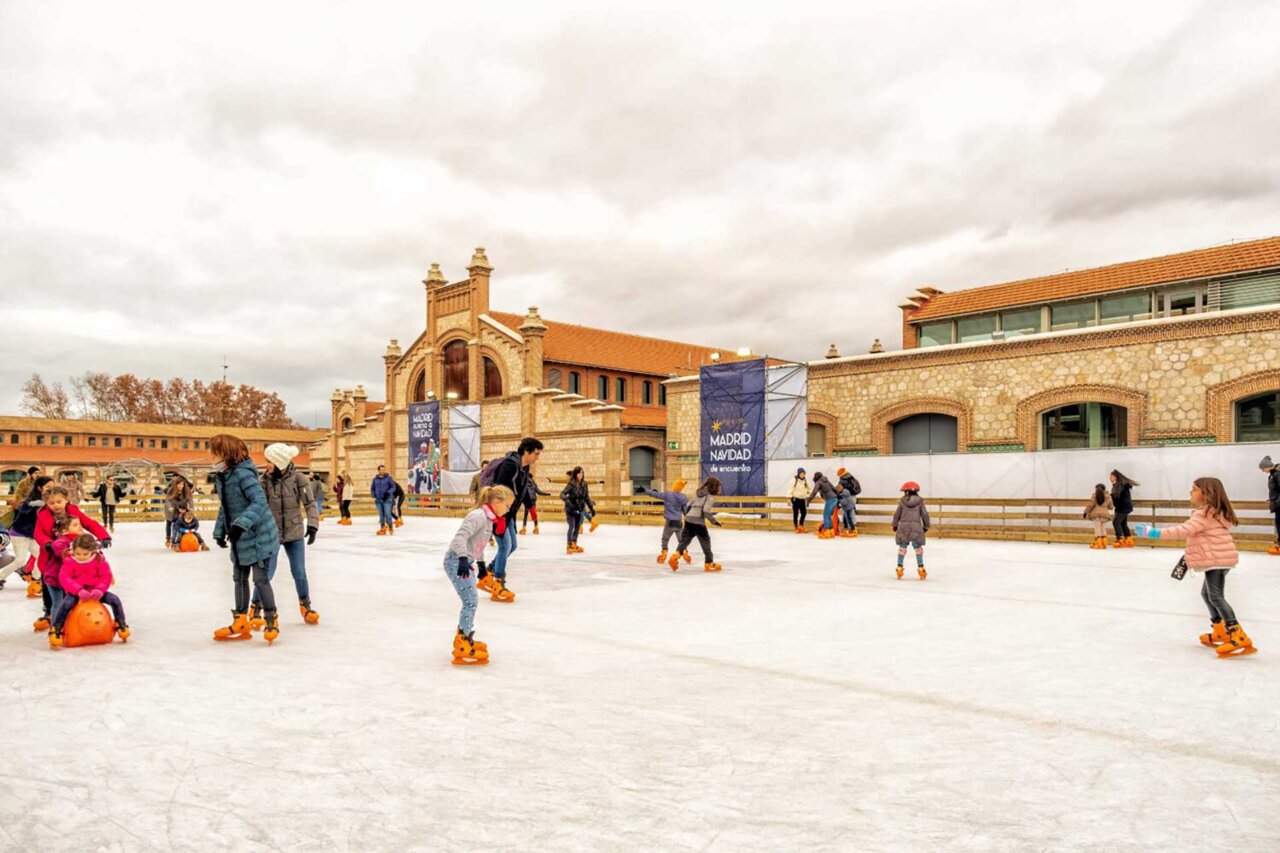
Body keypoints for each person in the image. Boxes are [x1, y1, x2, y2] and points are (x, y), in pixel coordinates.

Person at [1133, 478, 1255, 656]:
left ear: (1207, 494)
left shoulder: (1204, 514)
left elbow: (1183, 530)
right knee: (1207, 594)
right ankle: (1220, 630)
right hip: (1221, 559)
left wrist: (1154, 532)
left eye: (1194, 489)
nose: (1190, 492)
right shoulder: (1216, 512)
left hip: (1216, 560)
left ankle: (1238, 634)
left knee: (1215, 596)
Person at [211, 434, 282, 644]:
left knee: (260, 579)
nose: (211, 456)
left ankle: (271, 619)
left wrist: (240, 524)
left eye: (215, 452)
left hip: (260, 536)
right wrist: (219, 531)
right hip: (240, 536)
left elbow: (259, 502)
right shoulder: (225, 476)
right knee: (239, 578)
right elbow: (226, 506)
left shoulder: (244, 475)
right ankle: (240, 620)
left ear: (226, 453)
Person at [251, 443, 320, 629]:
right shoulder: (263, 482)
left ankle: (306, 605)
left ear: (280, 462)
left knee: (299, 572)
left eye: (269, 462)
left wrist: (313, 525)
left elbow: (310, 504)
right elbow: (257, 508)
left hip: (294, 532)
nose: (267, 465)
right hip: (271, 534)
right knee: (266, 573)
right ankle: (255, 607)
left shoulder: (299, 479)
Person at [444, 485, 513, 665]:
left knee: (471, 600)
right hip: (456, 562)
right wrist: (463, 559)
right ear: (496, 502)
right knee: (471, 601)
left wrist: (481, 565)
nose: (508, 510)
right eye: (507, 506)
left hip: (466, 562)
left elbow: (478, 544)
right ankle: (462, 644)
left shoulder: (489, 519)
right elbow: (459, 538)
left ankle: (464, 638)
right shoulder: (478, 516)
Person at [33, 482, 112, 633]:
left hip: (72, 554)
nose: (56, 505)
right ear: (46, 503)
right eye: (51, 503)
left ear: (66, 500)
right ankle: (49, 613)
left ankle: (70, 614)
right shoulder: (42, 515)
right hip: (50, 555)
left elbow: (89, 523)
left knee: (69, 583)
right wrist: (48, 543)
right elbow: (38, 533)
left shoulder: (73, 512)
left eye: (59, 502)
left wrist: (104, 536)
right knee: (50, 584)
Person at [483, 437, 544, 603]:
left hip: (509, 514)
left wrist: (530, 507)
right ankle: (498, 584)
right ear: (526, 451)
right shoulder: (510, 465)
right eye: (536, 454)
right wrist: (499, 517)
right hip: (499, 513)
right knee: (505, 547)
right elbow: (498, 490)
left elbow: (522, 492)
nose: (538, 457)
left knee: (513, 546)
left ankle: (489, 571)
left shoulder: (524, 468)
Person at [49, 532, 129, 648]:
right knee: (66, 604)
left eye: (85, 554)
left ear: (92, 551)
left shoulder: (99, 560)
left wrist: (99, 590)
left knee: (115, 600)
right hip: (76, 593)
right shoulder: (69, 561)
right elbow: (64, 578)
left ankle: (121, 624)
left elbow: (106, 576)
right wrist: (78, 591)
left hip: (95, 592)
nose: (80, 556)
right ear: (73, 550)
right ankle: (57, 629)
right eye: (78, 553)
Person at [8, 475, 52, 602]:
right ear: (39, 488)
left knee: (41, 556)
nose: (51, 489)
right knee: (20, 560)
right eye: (48, 487)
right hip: (20, 533)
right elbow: (24, 507)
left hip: (32, 535)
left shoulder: (50, 499)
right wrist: (33, 505)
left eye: (52, 486)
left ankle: (35, 582)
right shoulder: (31, 499)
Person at [668, 477, 722, 572]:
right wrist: (714, 521)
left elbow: (688, 505)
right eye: (718, 487)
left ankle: (674, 557)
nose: (718, 489)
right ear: (714, 487)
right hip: (698, 522)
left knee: (685, 541)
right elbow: (706, 511)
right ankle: (709, 563)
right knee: (706, 541)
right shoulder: (709, 497)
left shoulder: (698, 494)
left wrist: (688, 516)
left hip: (688, 520)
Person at [640, 478, 688, 563]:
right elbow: (685, 511)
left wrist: (645, 490)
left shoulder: (668, 495)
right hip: (678, 522)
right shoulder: (683, 498)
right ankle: (684, 552)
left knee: (665, 539)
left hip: (670, 522)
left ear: (674, 486)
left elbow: (656, 494)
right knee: (681, 539)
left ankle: (664, 553)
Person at [892, 481, 930, 580]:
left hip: (903, 527)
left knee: (902, 548)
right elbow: (925, 515)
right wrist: (926, 526)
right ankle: (921, 568)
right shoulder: (920, 502)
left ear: (906, 492)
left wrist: (895, 525)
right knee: (918, 548)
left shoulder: (902, 502)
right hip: (916, 528)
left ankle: (899, 567)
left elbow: (897, 514)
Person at [560, 467, 593, 555]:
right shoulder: (571, 484)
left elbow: (586, 497)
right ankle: (569, 545)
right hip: (570, 509)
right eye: (579, 473)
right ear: (575, 474)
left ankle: (574, 544)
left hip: (579, 508)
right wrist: (567, 500)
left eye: (582, 473)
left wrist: (591, 508)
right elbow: (562, 494)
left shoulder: (584, 484)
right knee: (572, 525)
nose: (581, 475)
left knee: (577, 526)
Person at [1109, 470, 1139, 549]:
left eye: (1111, 476)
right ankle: (1128, 540)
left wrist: (1111, 496)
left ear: (1115, 477)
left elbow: (1120, 497)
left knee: (1116, 522)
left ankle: (1120, 539)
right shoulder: (1118, 485)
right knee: (1123, 524)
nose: (1109, 478)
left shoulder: (1121, 485)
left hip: (1123, 507)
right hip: (1122, 507)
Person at [807, 472, 839, 539]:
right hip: (835, 499)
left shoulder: (818, 482)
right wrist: (838, 498)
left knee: (826, 515)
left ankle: (827, 531)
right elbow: (834, 489)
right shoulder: (827, 481)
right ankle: (831, 531)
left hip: (830, 499)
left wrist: (808, 500)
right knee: (828, 516)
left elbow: (814, 492)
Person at [1083, 484, 1113, 549]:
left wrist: (1085, 512)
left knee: (1097, 528)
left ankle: (1098, 543)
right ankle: (1104, 543)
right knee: (1102, 528)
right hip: (1105, 515)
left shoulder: (1095, 496)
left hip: (1096, 515)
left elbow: (1090, 505)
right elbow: (1111, 507)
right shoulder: (1108, 496)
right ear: (1104, 489)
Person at [1261, 456, 1280, 555]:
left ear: (1268, 466)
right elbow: (1275, 490)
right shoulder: (1272, 475)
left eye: (1263, 469)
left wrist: (1277, 502)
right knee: (1278, 524)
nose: (1262, 471)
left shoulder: (1277, 474)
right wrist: (1272, 499)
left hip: (1279, 505)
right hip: (1277, 505)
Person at [371, 465, 397, 535]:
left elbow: (393, 487)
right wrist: (373, 494)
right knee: (381, 515)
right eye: (381, 470)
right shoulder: (375, 479)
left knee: (388, 514)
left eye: (384, 470)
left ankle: (390, 527)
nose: (383, 471)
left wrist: (388, 493)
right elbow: (372, 488)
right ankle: (383, 528)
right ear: (378, 470)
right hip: (378, 500)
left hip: (387, 499)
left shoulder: (388, 478)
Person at [836, 467, 861, 535]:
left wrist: (839, 500)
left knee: (847, 513)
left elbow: (839, 491)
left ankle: (849, 528)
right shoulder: (851, 477)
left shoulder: (842, 480)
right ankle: (853, 527)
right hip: (853, 496)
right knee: (851, 512)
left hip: (846, 497)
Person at [787, 468, 810, 533]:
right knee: (796, 513)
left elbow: (809, 489)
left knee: (804, 512)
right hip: (795, 499)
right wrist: (789, 498)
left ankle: (801, 526)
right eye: (801, 473)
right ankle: (796, 527)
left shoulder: (805, 480)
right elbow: (790, 489)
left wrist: (808, 495)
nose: (802, 474)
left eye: (803, 473)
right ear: (798, 473)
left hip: (802, 499)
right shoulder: (794, 480)